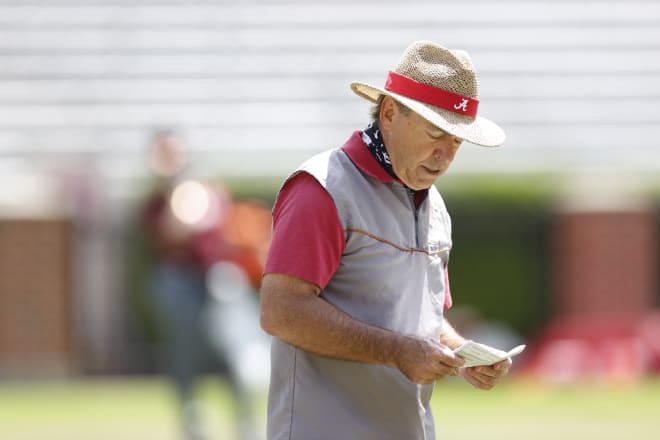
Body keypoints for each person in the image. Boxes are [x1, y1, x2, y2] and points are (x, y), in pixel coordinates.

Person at [259, 40, 513, 440]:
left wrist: (463, 355)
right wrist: (397, 352)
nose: (445, 155)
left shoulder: (435, 206)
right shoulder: (322, 190)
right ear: (391, 113)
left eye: (457, 142)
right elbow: (281, 311)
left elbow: (421, 318)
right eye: (435, 133)